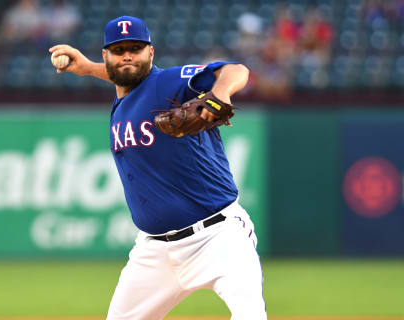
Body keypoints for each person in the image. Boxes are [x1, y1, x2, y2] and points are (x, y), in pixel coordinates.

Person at [49, 16, 267, 320]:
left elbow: (235, 70)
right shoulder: (124, 96)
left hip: (218, 237)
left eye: (135, 48)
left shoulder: (168, 82)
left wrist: (220, 93)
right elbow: (124, 76)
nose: (127, 56)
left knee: (250, 315)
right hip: (154, 253)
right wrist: (85, 68)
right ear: (105, 56)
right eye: (118, 49)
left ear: (150, 53)